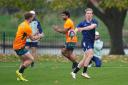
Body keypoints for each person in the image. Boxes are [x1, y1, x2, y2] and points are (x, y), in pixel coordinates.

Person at [13, 12, 42, 81]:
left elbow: (26, 35)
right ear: (30, 18)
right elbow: (32, 39)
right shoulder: (27, 26)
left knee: (23, 62)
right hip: (20, 46)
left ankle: (19, 77)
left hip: (17, 45)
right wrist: (40, 36)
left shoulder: (22, 24)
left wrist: (35, 33)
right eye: (32, 17)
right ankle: (19, 72)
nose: (33, 18)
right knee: (31, 59)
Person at [71, 8, 98, 79]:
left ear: (92, 14)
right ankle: (84, 72)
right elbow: (75, 30)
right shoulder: (81, 23)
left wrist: (82, 29)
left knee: (85, 59)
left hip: (91, 41)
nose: (89, 14)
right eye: (87, 13)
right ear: (85, 14)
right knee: (91, 55)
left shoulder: (94, 21)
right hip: (85, 41)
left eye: (90, 13)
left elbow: (91, 27)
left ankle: (74, 72)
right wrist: (73, 33)